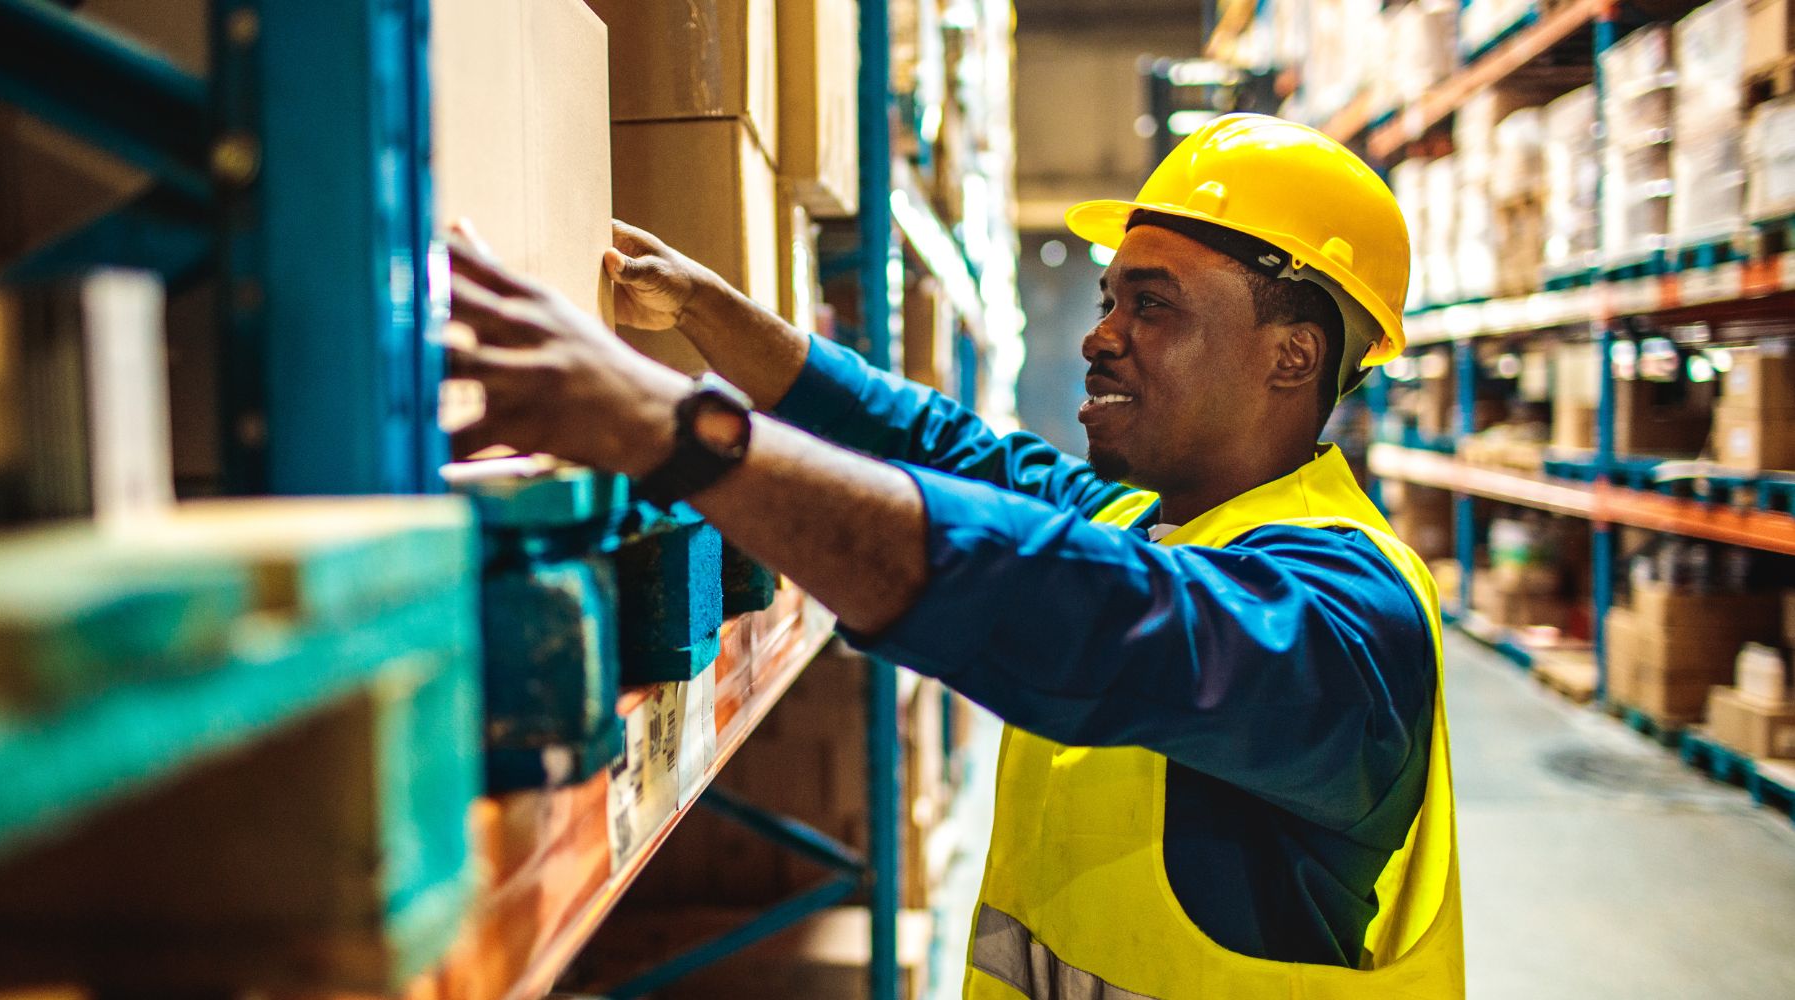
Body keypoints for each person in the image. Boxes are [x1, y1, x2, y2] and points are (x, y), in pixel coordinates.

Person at [445, 114, 1463, 999]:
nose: (1098, 337)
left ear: (1291, 354)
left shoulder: (1347, 615)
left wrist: (672, 429)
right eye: (1110, 300)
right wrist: (714, 317)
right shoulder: (1145, 517)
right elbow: (944, 446)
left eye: (1150, 305)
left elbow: (1092, 618)